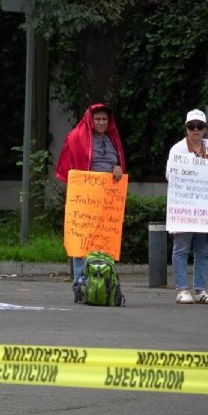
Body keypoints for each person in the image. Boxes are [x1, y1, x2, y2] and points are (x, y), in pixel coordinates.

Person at [54, 103, 126, 298]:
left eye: (104, 119)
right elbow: (68, 168)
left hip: (106, 199)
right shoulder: (76, 137)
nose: (101, 122)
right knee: (82, 241)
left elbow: (117, 163)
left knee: (103, 240)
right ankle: (80, 284)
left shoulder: (112, 140)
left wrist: (117, 168)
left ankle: (100, 282)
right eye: (98, 119)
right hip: (85, 198)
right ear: (90, 120)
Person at [166, 110, 208, 304]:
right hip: (185, 205)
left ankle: (201, 289)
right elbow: (169, 174)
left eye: (199, 126)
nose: (196, 130)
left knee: (203, 250)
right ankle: (182, 289)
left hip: (206, 207)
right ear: (186, 128)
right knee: (181, 248)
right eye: (192, 126)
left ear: (205, 129)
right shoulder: (177, 149)